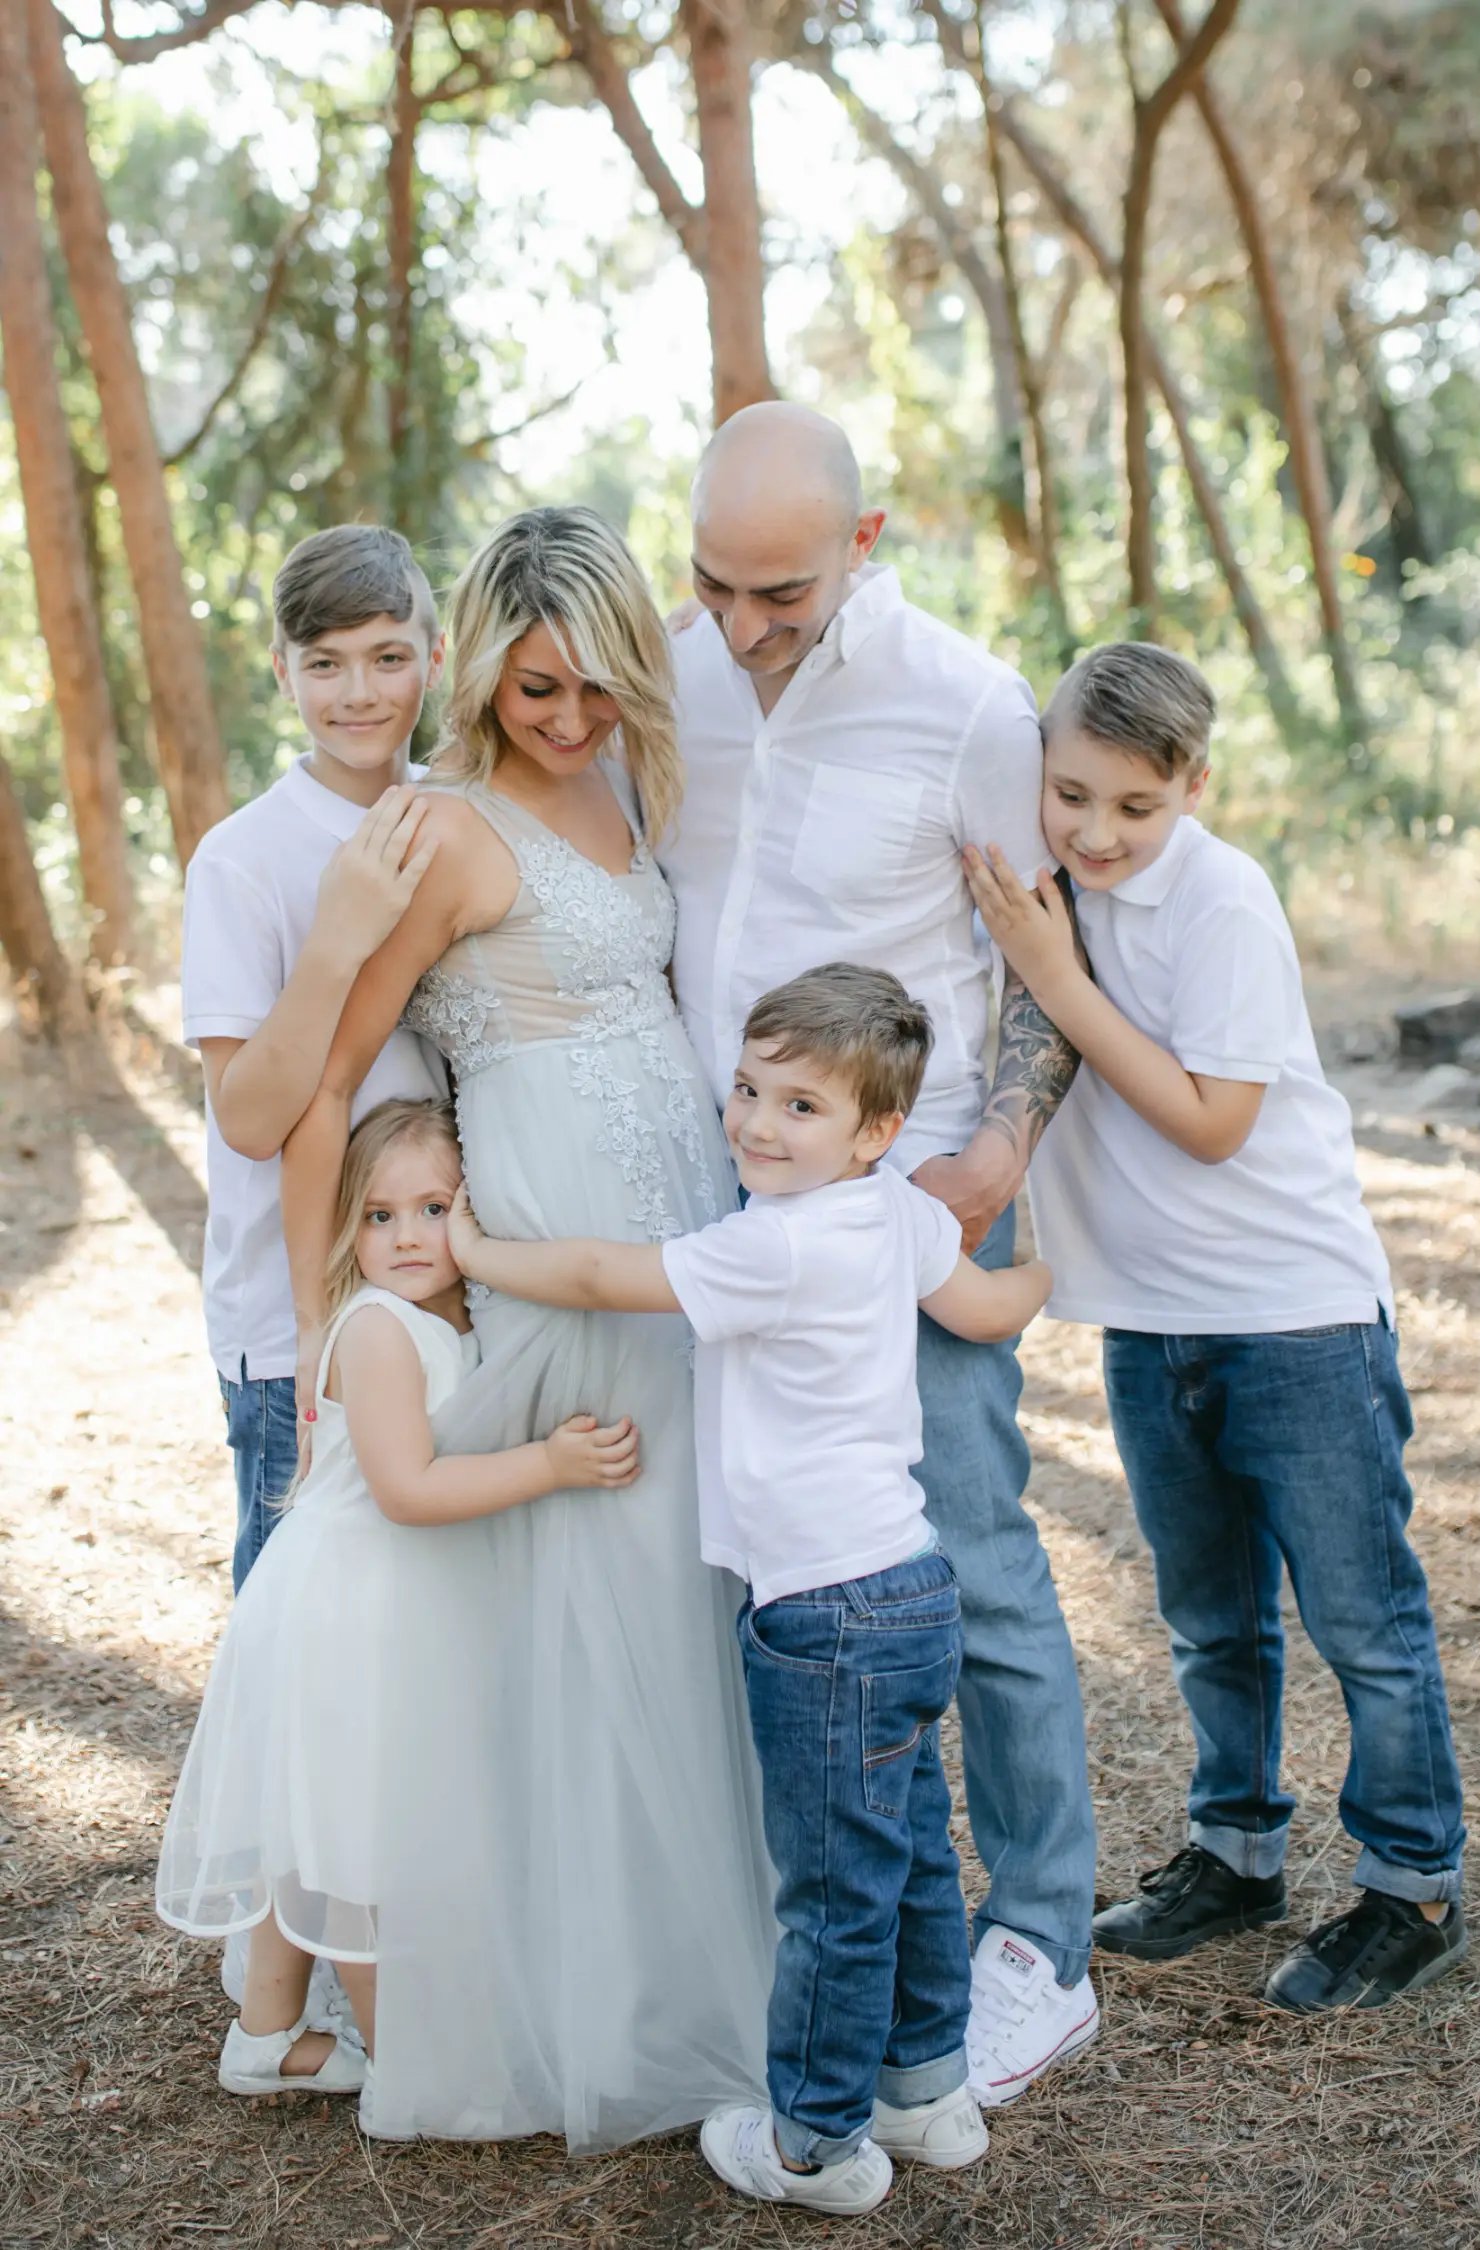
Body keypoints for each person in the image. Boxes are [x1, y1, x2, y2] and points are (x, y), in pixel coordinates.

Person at [277, 505, 776, 2146]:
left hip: (675, 1232)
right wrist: (319, 1327)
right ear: (486, 668)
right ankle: (585, 2008)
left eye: (593, 689)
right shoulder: (447, 833)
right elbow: (331, 1081)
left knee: (686, 1583)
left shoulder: (628, 779)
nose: (565, 721)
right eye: (536, 690)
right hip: (550, 1240)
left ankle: (703, 1961)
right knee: (587, 1594)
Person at [448, 963, 1055, 2215]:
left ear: (877, 1132)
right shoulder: (895, 1213)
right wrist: (1050, 1254)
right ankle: (928, 2090)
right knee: (911, 1857)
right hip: (909, 1584)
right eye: (747, 1089)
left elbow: (609, 1279)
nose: (756, 1124)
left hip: (822, 1614)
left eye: (799, 1108)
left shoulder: (772, 1243)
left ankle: (813, 2144)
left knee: (832, 1887)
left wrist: (475, 1249)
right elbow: (991, 1311)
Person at [663, 402, 1099, 2102]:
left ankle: (1039, 1946)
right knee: (773, 1582)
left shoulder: (974, 710)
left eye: (782, 591)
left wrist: (998, 1151)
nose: (746, 627)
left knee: (975, 1569)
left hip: (899, 1222)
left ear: (869, 542)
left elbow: (1053, 970)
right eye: (716, 584)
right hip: (727, 1217)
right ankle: (837, 1933)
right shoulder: (680, 674)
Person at [965, 640, 1468, 2014]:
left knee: (1362, 1616)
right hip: (1153, 1320)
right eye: (1072, 795)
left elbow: (1209, 1121)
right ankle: (1236, 1850)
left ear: (1196, 784)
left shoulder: (1223, 899)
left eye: (1137, 804)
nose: (1098, 830)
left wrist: (1059, 980)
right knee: (1209, 1615)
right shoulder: (1047, 881)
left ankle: (1414, 1882)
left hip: (1292, 1315)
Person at [157, 1099, 640, 2111]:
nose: (410, 1236)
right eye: (379, 1217)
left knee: (316, 1822)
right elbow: (408, 1490)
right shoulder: (377, 1329)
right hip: (348, 1614)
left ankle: (264, 2036)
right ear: (347, 1229)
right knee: (360, 1844)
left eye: (432, 1208)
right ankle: (407, 2067)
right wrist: (550, 1464)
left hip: (368, 1609)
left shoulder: (440, 1321)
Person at [182, 523, 446, 1592]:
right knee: (298, 1602)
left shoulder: (458, 813)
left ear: (434, 655)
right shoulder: (241, 860)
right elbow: (247, 1117)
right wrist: (337, 937)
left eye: (389, 657)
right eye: (326, 664)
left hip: (439, 1287)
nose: (359, 693)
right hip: (293, 1322)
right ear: (282, 668)